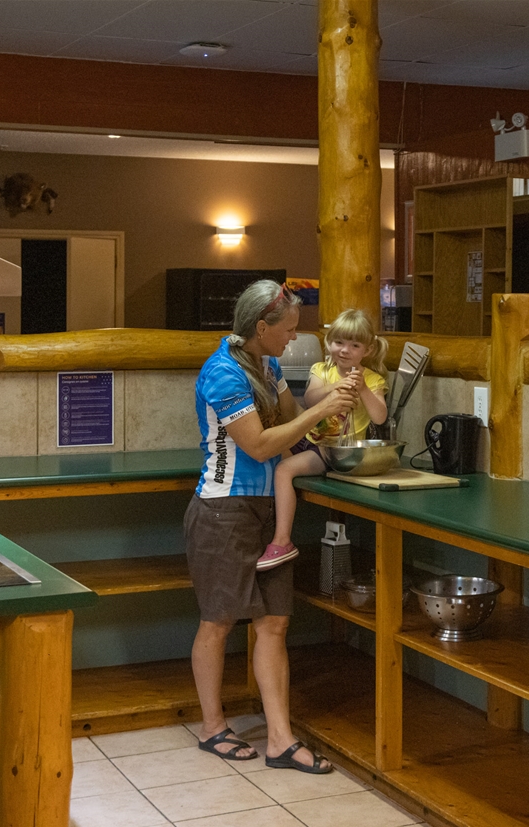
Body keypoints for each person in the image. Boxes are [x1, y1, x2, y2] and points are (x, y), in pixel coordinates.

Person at [186, 280, 355, 772]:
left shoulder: (269, 365)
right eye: (287, 331)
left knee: (275, 622)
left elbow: (291, 420)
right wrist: (320, 410)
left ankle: (280, 740)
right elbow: (259, 445)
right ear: (261, 327)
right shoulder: (222, 374)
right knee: (218, 622)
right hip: (224, 510)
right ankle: (213, 727)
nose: (293, 340)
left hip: (267, 511)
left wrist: (326, 422)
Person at [260, 308, 389, 570]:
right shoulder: (321, 370)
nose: (344, 350)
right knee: (269, 457)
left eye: (354, 345)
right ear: (328, 343)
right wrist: (335, 388)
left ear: (368, 350)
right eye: (338, 342)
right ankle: (264, 529)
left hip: (335, 452)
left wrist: (363, 388)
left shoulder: (372, 378)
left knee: (284, 471)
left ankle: (282, 539)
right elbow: (310, 400)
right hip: (309, 439)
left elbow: (379, 417)